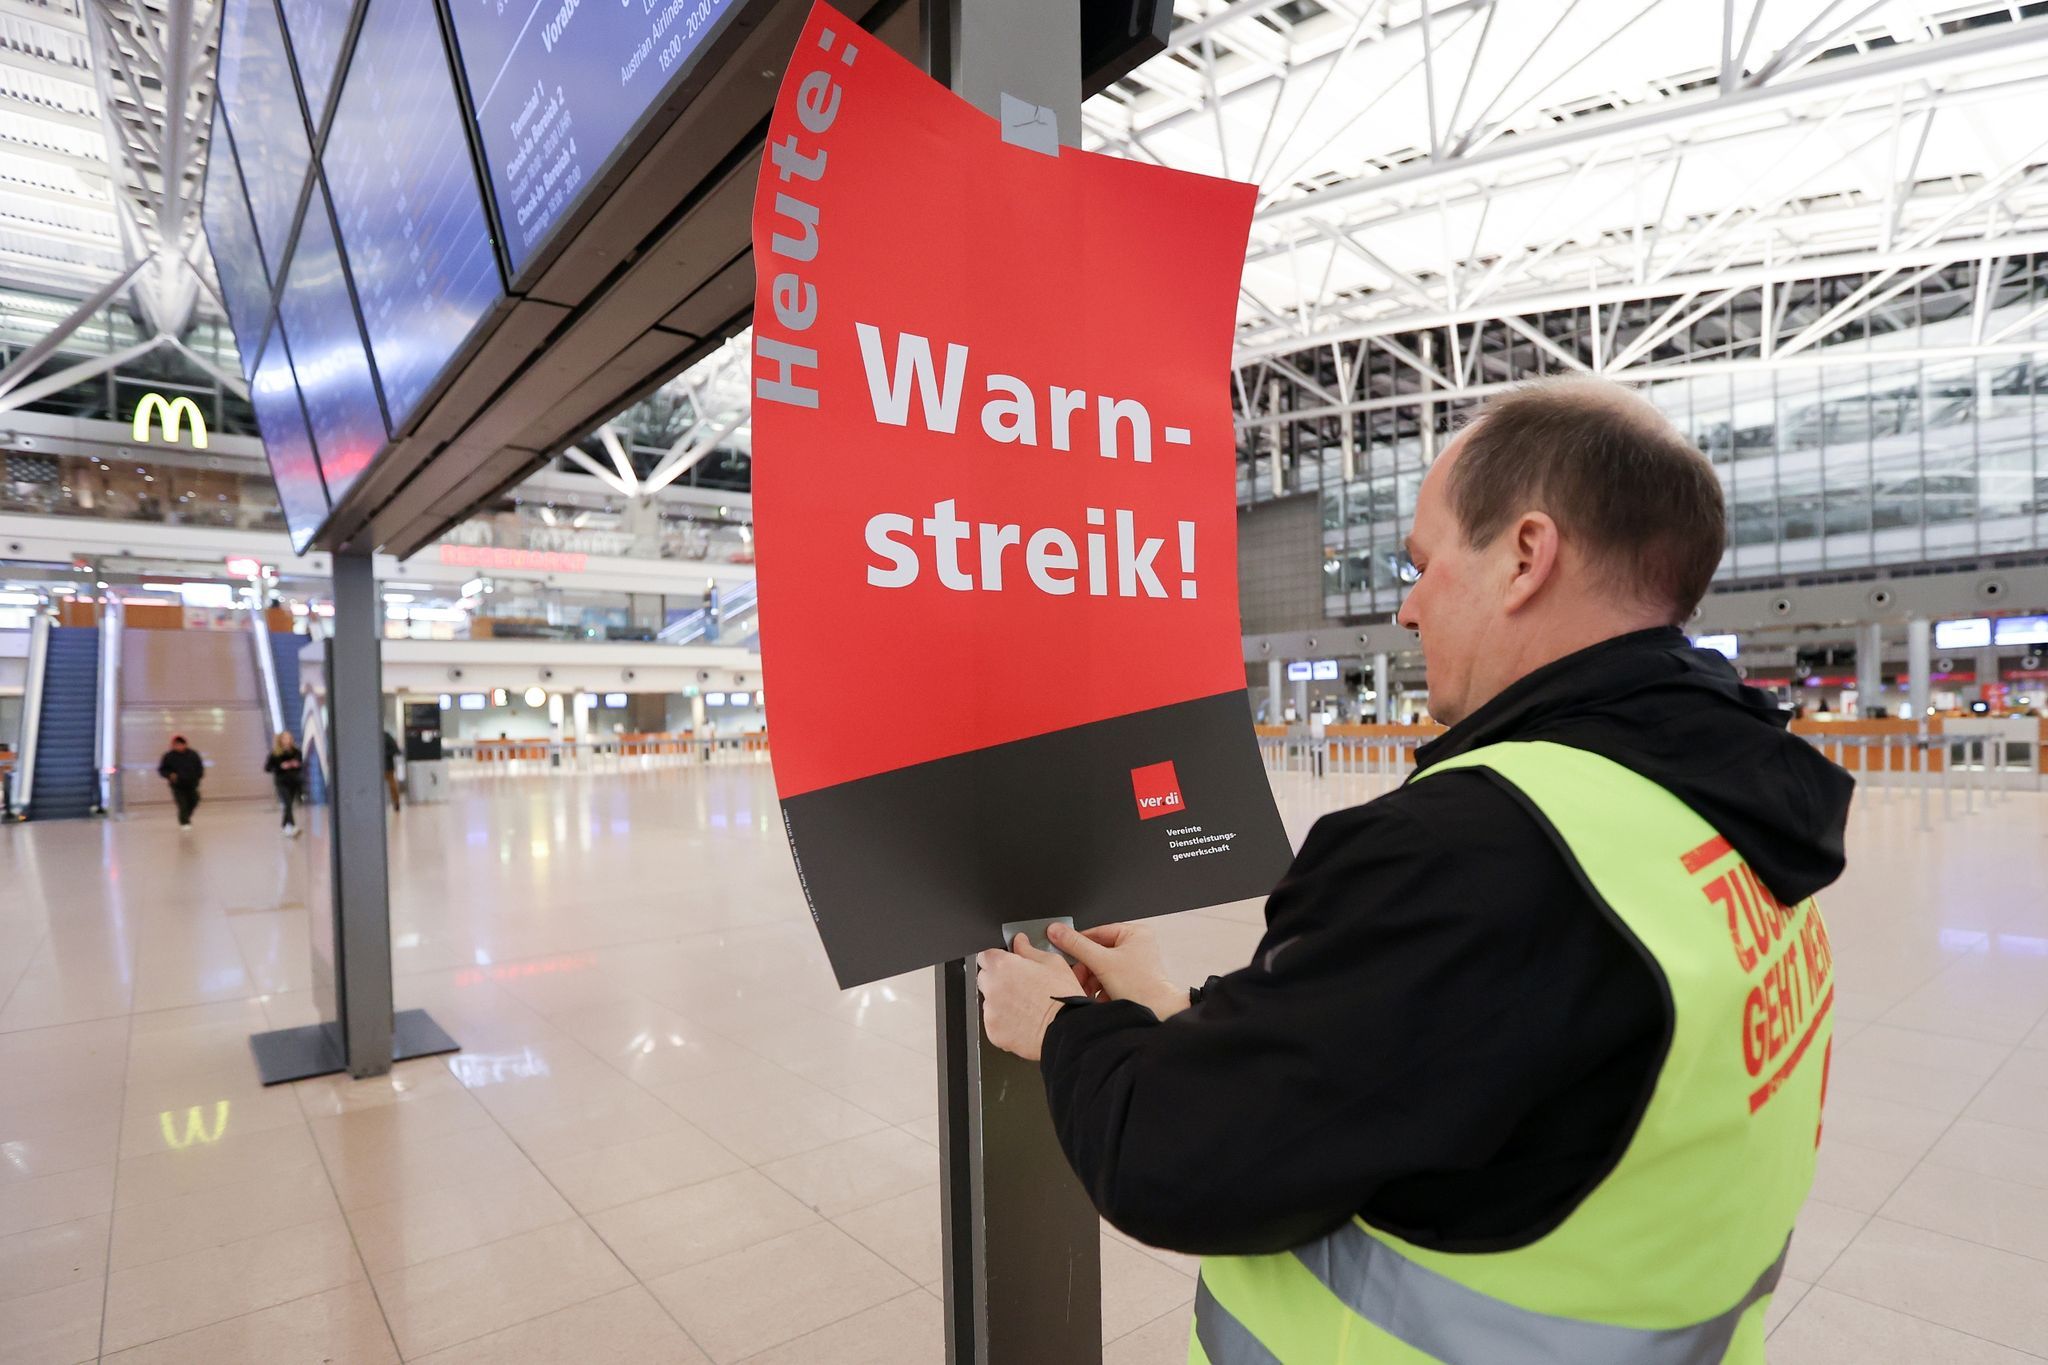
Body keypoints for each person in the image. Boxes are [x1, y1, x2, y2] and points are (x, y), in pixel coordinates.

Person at [977, 378, 1853, 1363]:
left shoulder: (1474, 850)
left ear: (1525, 556)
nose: (1402, 607)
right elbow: (1436, 1059)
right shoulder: (1726, 814)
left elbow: (1180, 1163)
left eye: (1422, 561)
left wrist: (1066, 1032)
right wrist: (1166, 1001)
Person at [157, 735, 204, 829]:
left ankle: (185, 817)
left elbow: (199, 767)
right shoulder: (169, 756)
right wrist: (169, 775)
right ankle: (184, 822)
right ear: (173, 745)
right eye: (176, 745)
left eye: (181, 745)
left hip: (192, 784)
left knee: (194, 800)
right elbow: (162, 769)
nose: (179, 747)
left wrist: (197, 777)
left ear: (185, 745)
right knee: (182, 804)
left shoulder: (193, 754)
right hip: (177, 785)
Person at [264, 731, 305, 835]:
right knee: (287, 803)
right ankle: (292, 826)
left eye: (289, 738)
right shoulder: (275, 754)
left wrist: (297, 765)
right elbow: (267, 768)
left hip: (294, 782)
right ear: (280, 740)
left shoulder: (297, 752)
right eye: (285, 738)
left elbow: (302, 765)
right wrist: (280, 766)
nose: (287, 740)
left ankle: (284, 825)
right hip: (282, 782)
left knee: (289, 805)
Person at [383, 729, 402, 812]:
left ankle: (396, 802)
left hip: (387, 766)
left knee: (392, 785)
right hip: (380, 766)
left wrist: (384, 753)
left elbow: (396, 750)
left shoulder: (386, 736)